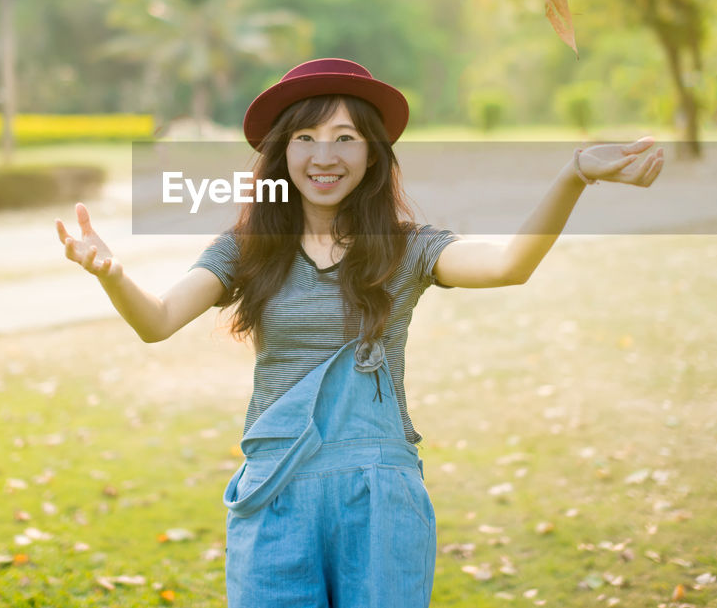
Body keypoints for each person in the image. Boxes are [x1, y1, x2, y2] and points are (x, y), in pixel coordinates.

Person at [56, 58, 663, 607]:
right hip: (276, 495)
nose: (326, 155)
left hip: (379, 496)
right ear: (281, 153)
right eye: (306, 137)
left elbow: (509, 264)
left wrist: (573, 175)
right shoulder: (248, 249)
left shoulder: (407, 248)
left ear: (372, 154)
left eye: (346, 138)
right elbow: (158, 321)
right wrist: (111, 274)